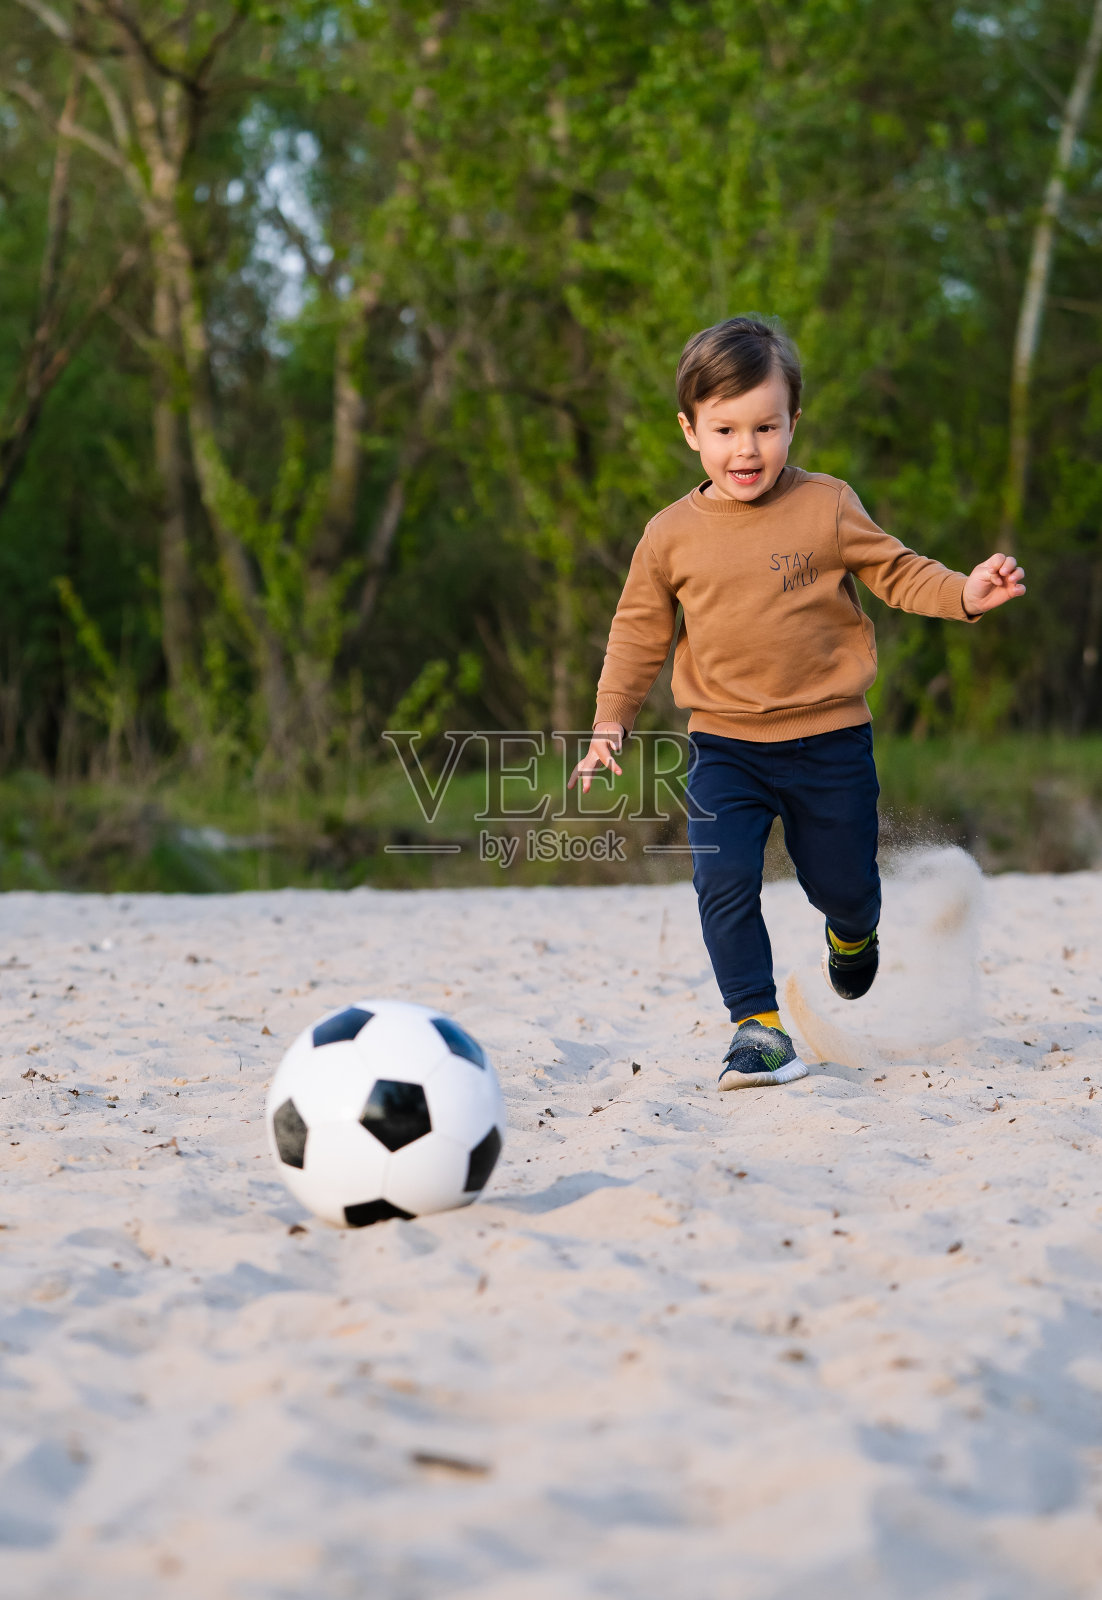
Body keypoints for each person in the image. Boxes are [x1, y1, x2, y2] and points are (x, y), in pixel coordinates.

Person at [568, 316, 1025, 1090]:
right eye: (725, 429)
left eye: (766, 427)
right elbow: (638, 630)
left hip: (830, 742)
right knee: (722, 878)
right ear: (690, 431)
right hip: (724, 746)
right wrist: (611, 718)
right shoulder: (670, 534)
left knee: (842, 883)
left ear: (793, 423)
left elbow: (900, 572)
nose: (746, 449)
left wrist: (967, 595)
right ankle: (758, 1027)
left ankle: (853, 933)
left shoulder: (827, 505)